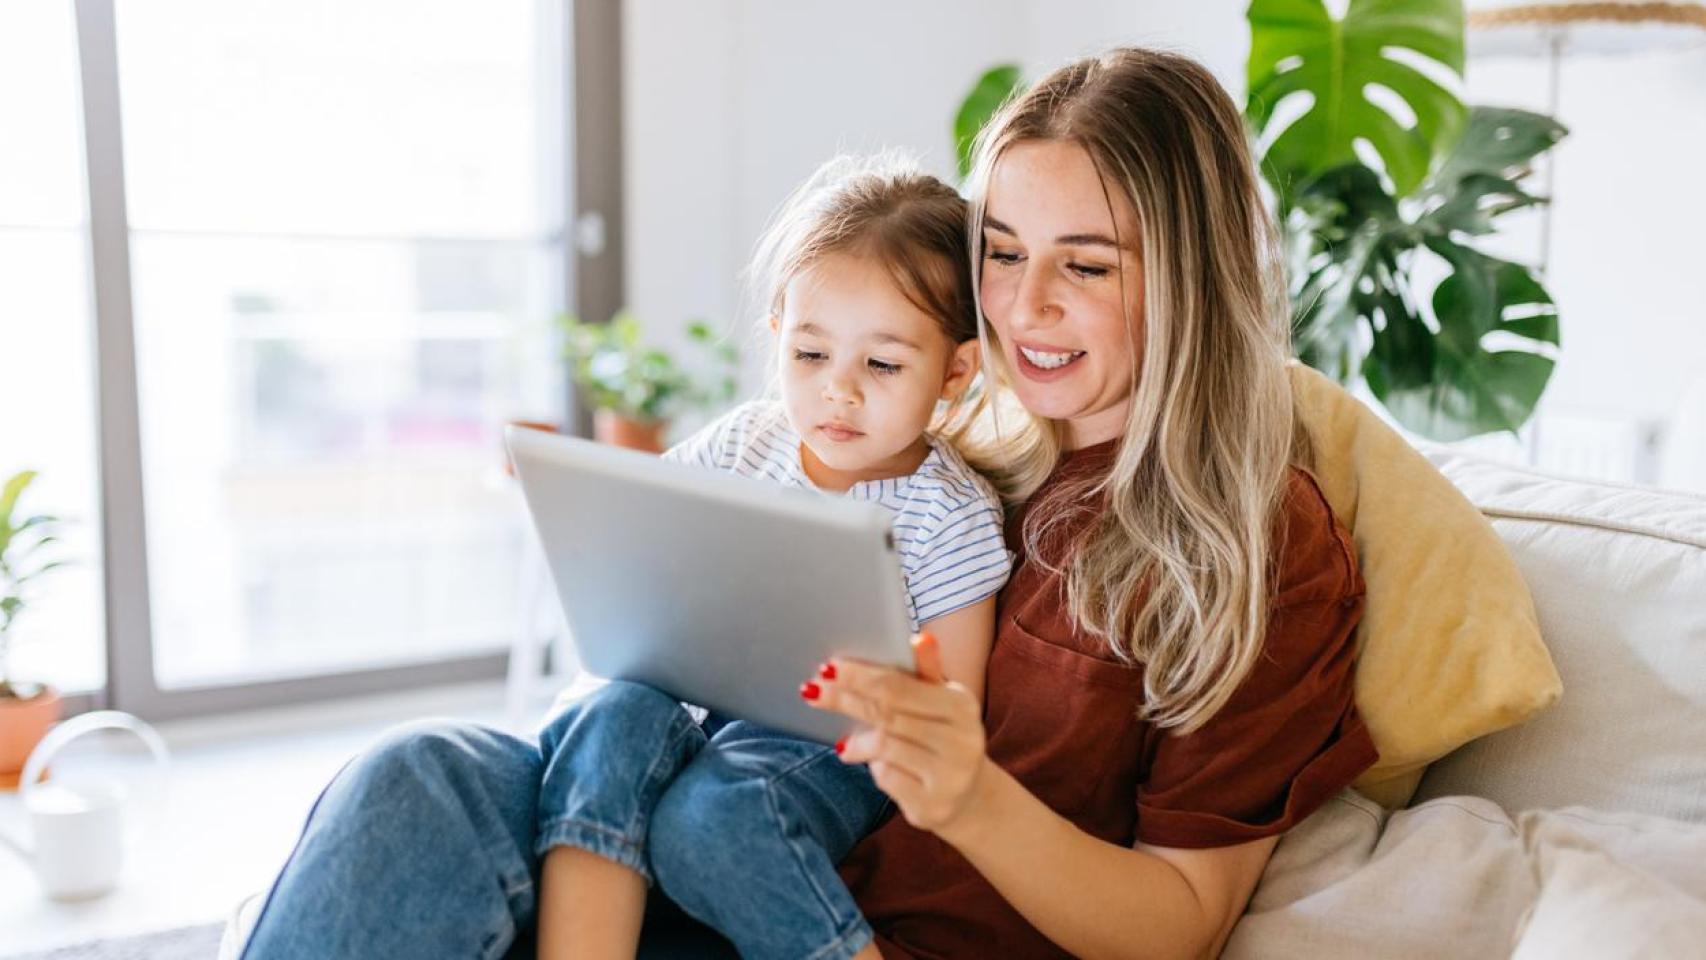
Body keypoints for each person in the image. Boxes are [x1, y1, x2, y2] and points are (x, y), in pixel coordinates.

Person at [240, 47, 1378, 960]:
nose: (1020, 309)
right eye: (1001, 252)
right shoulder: (955, 424)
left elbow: (1179, 920)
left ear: (1192, 275)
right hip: (680, 804)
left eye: (1085, 266)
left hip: (814, 901)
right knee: (414, 773)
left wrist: (968, 794)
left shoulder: (1262, 549)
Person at [532, 154, 1010, 960]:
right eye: (810, 355)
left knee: (717, 813)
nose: (840, 391)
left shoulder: (949, 514)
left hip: (828, 749)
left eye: (883, 364)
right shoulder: (744, 441)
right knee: (607, 718)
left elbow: (955, 708)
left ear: (955, 371)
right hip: (695, 704)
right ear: (777, 338)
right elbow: (646, 549)